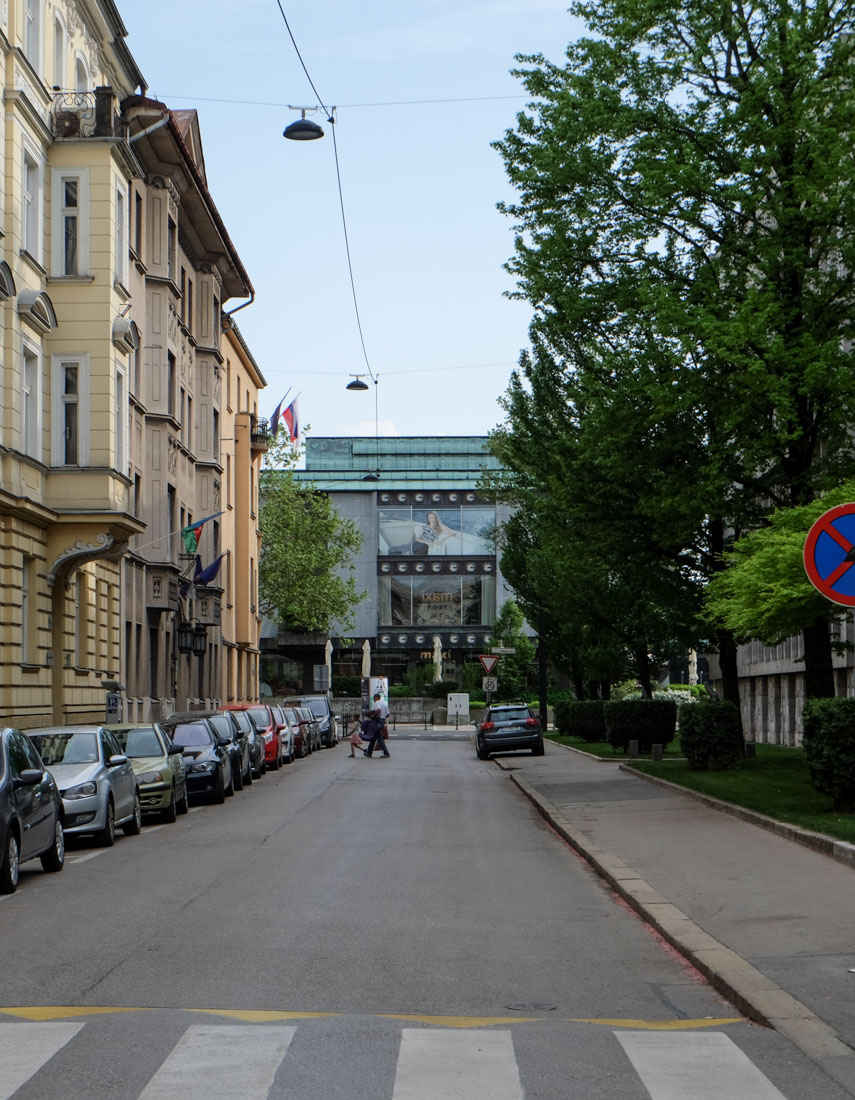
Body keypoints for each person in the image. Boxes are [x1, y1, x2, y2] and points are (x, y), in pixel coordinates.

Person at [363, 692, 390, 758]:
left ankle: (386, 753)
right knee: (374, 737)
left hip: (377, 721)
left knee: (379, 738)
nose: (373, 700)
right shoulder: (384, 704)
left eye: (374, 699)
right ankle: (369, 753)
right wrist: (383, 718)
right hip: (382, 721)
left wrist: (373, 715)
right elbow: (388, 714)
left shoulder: (377, 703)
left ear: (376, 698)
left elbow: (379, 710)